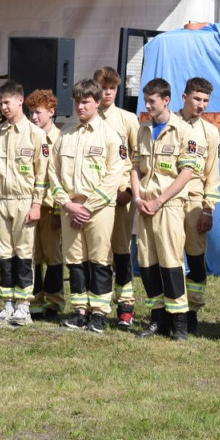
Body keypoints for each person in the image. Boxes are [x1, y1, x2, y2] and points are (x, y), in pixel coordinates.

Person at [48, 80, 122, 333]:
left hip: (98, 208)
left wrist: (87, 207)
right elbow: (52, 173)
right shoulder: (65, 134)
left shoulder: (110, 136)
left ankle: (100, 313)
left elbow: (114, 176)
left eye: (86, 102)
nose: (80, 106)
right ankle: (80, 311)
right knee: (75, 261)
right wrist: (67, 204)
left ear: (98, 103)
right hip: (71, 208)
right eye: (77, 101)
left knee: (100, 260)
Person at [133, 78, 203, 341]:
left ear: (166, 100)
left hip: (169, 204)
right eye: (145, 100)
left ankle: (180, 323)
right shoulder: (143, 130)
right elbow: (135, 167)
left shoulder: (183, 131)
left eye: (152, 101)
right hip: (144, 206)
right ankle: (157, 320)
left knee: (171, 263)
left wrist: (159, 201)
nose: (147, 105)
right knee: (147, 263)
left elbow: (186, 173)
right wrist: (139, 198)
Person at [0, 81, 48, 325]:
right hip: (1, 201)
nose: (3, 107)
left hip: (24, 201)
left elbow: (41, 174)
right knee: (4, 254)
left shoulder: (35, 134)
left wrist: (36, 204)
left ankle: (23, 305)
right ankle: (8, 303)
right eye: (0, 103)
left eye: (7, 102)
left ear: (20, 101)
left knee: (23, 254)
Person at [94, 66, 140, 327]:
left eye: (112, 88)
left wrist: (131, 191)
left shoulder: (127, 119)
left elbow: (139, 160)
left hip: (121, 194)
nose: (107, 93)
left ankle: (125, 305)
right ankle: (95, 304)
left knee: (121, 249)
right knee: (97, 251)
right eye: (103, 88)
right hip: (95, 195)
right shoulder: (89, 118)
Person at [178, 77, 220, 334]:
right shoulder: (167, 124)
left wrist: (208, 209)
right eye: (197, 99)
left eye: (205, 100)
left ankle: (192, 310)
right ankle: (166, 310)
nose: (201, 104)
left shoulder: (210, 132)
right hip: (168, 202)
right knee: (168, 259)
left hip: (194, 202)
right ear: (185, 97)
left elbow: (212, 173)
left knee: (195, 259)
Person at [26, 89, 63, 320]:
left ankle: (55, 301)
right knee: (33, 256)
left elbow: (62, 178)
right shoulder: (30, 136)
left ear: (51, 112)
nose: (33, 117)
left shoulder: (60, 139)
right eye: (31, 113)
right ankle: (35, 299)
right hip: (31, 205)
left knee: (53, 256)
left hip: (51, 207)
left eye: (38, 113)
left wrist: (59, 209)